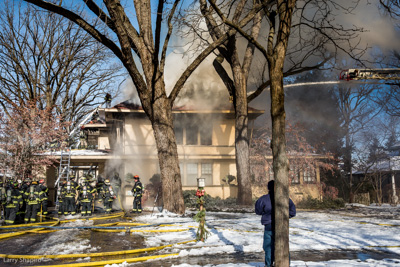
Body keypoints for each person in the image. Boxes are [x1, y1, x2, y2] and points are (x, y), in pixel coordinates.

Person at [255, 180, 296, 267]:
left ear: (268, 188)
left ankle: (269, 264)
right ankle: (285, 263)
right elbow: (292, 212)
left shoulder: (263, 199)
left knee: (268, 247)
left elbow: (258, 211)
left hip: (269, 225)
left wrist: (265, 213)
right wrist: (284, 217)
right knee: (283, 245)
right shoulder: (285, 199)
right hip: (282, 225)